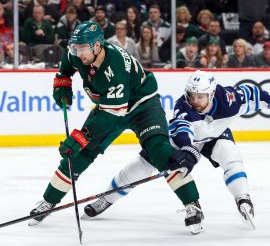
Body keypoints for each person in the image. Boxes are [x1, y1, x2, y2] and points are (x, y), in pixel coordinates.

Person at [28, 21, 200, 226]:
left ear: (97, 46)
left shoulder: (115, 67)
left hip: (142, 107)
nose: (77, 52)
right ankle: (49, 201)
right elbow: (67, 62)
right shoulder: (79, 52)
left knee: (160, 151)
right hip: (111, 106)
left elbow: (113, 114)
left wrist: (81, 136)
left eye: (81, 48)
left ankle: (192, 204)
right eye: (75, 47)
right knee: (79, 155)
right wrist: (63, 80)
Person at [83, 70, 270, 231]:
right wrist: (188, 153)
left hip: (215, 136)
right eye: (191, 95)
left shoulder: (230, 99)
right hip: (185, 139)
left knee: (230, 155)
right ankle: (107, 198)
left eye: (200, 96)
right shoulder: (184, 106)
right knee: (139, 167)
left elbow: (255, 94)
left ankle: (243, 198)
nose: (194, 100)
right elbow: (182, 131)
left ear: (211, 94)